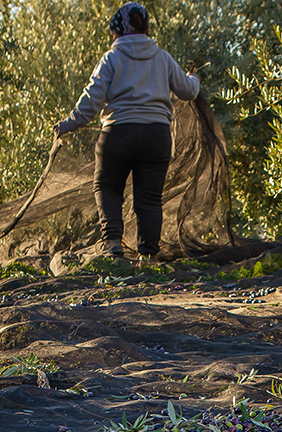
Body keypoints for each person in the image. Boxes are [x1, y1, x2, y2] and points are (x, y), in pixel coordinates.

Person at [53, 2, 200, 258]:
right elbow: (187, 91)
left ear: (117, 30)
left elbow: (91, 102)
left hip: (118, 134)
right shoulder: (162, 58)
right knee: (150, 198)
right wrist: (194, 77)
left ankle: (112, 246)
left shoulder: (111, 59)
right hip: (156, 137)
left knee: (108, 187)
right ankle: (149, 257)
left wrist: (67, 124)